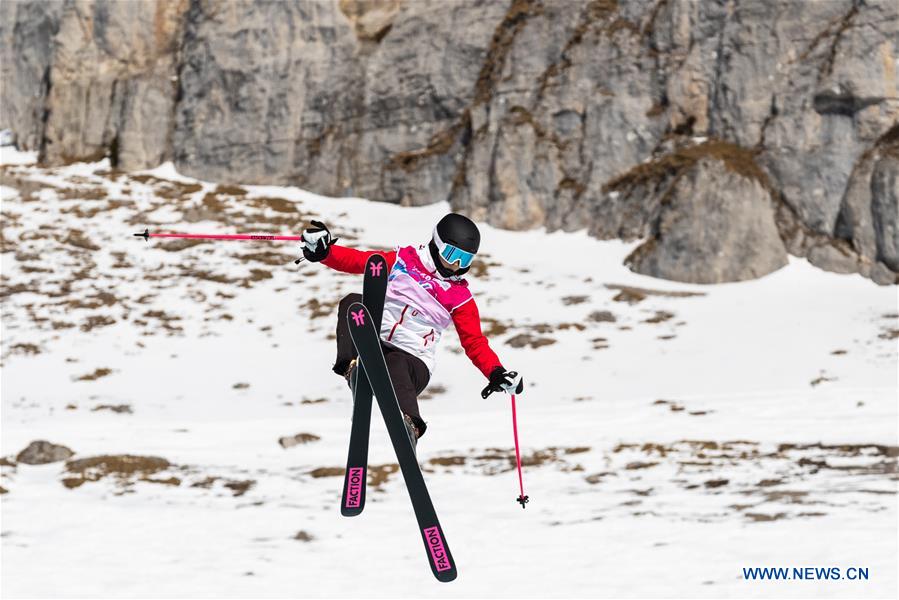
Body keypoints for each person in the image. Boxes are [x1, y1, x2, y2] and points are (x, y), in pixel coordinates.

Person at [301, 213, 525, 449]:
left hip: (413, 361)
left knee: (395, 363)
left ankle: (410, 425)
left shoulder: (460, 297)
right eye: (452, 255)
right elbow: (359, 261)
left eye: (465, 260)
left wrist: (496, 372)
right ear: (437, 245)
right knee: (353, 304)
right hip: (375, 342)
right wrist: (324, 253)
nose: (457, 266)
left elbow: (475, 342)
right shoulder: (404, 260)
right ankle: (352, 368)